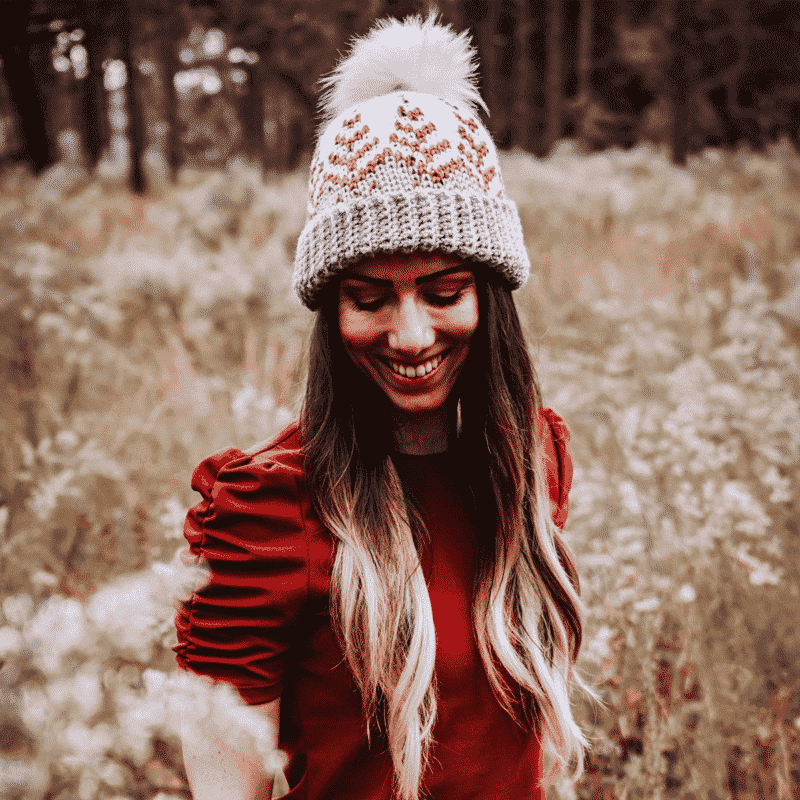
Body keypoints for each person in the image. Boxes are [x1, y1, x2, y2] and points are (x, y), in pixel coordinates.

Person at [174, 12, 593, 800]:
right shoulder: (267, 512)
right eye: (370, 298)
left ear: (491, 298)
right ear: (331, 313)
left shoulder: (532, 464)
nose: (410, 335)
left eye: (444, 293)